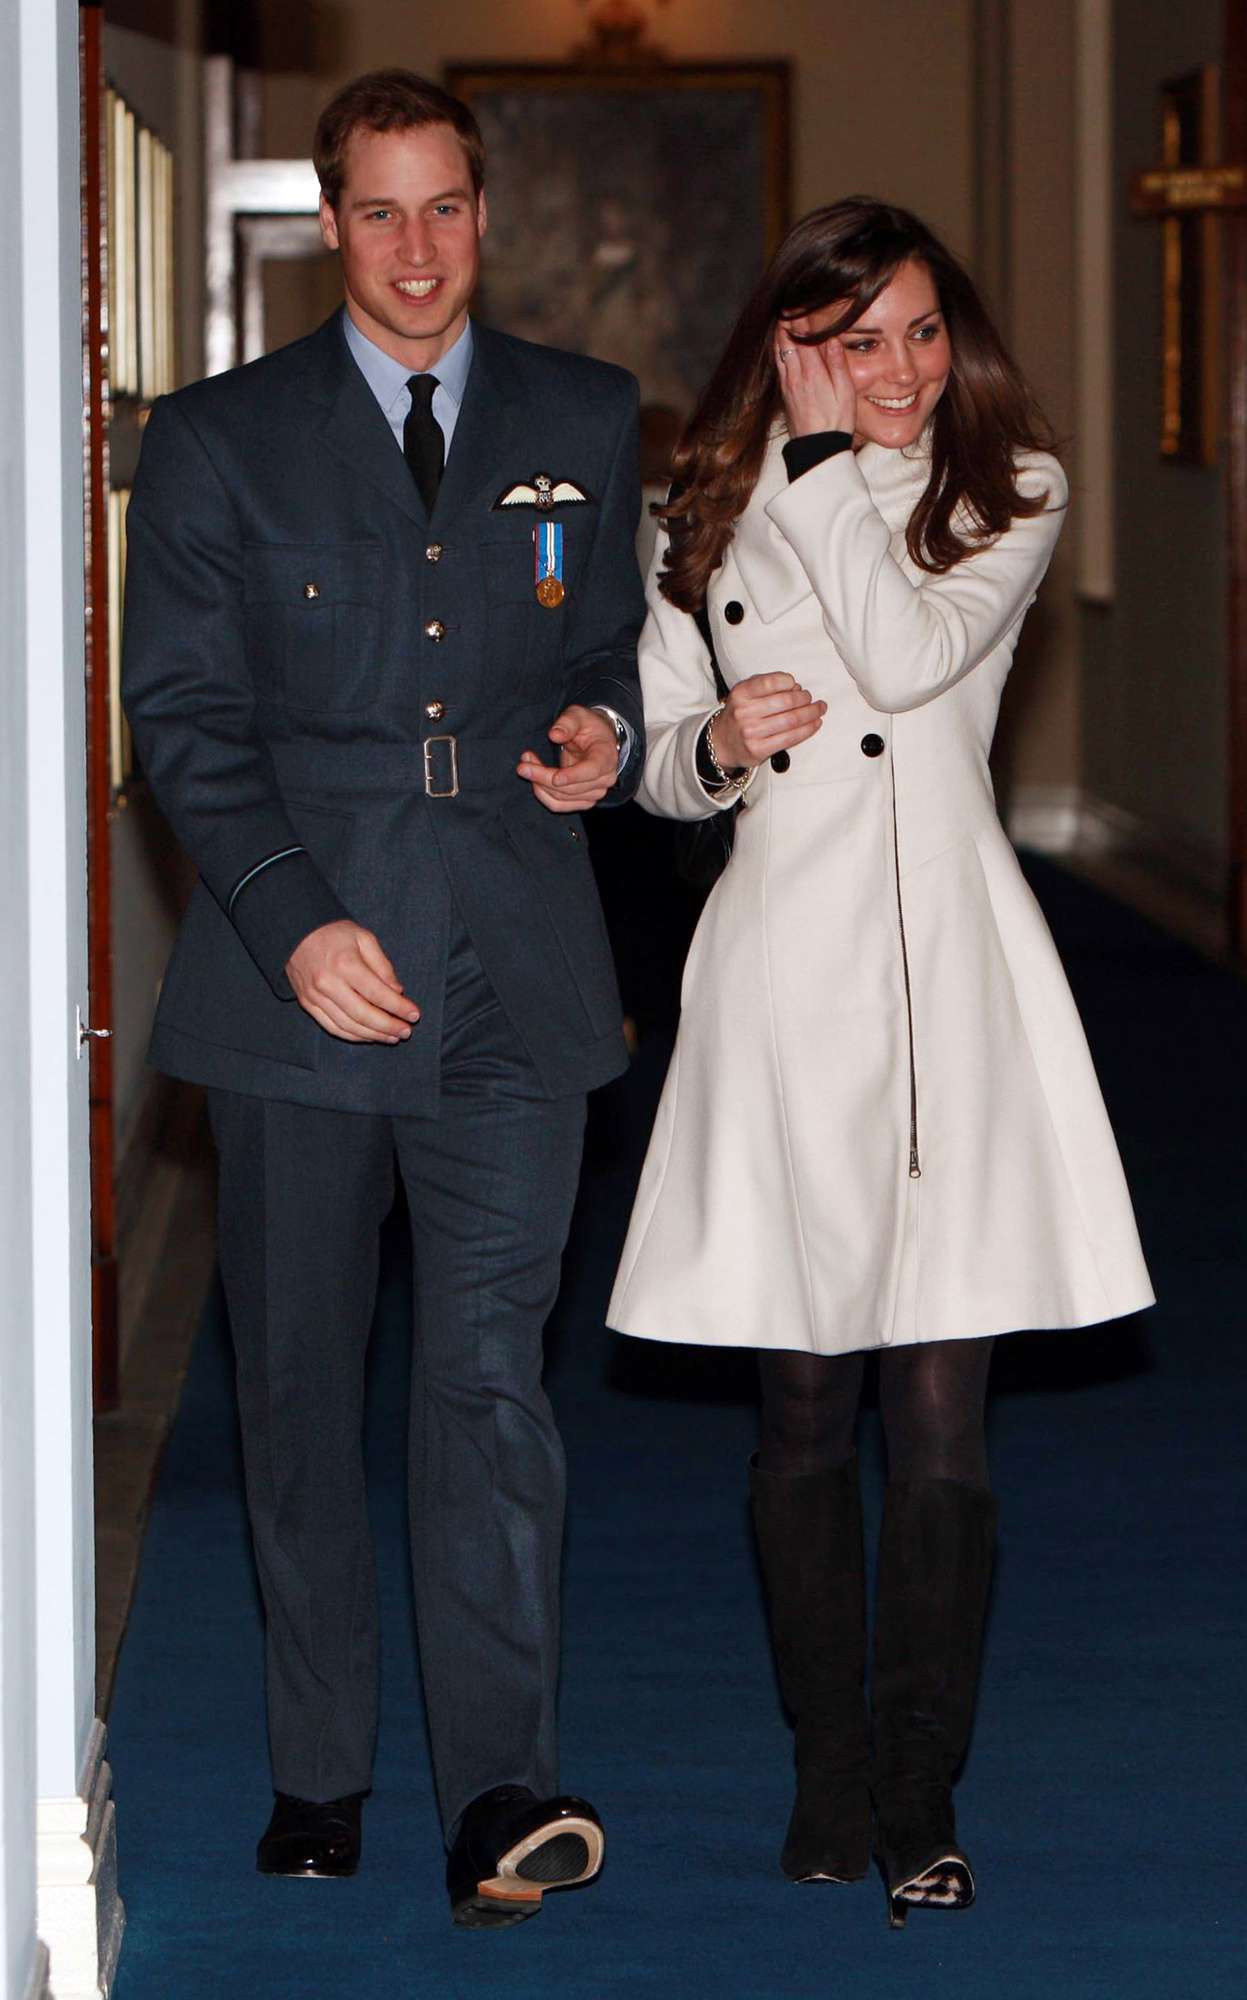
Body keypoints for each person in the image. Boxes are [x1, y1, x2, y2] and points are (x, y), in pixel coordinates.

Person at [123, 69, 645, 1931]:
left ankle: (502, 1786)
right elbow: (181, 723)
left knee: (490, 1382)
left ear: (480, 214)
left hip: (516, 963)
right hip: (301, 986)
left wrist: (607, 730)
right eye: (381, 213)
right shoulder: (216, 440)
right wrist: (286, 920)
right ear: (327, 226)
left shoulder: (586, 416)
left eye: (447, 209)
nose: (417, 251)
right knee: (299, 1391)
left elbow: (602, 645)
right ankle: (320, 1764)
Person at [607, 199, 1153, 1928]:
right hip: (782, 975)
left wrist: (828, 454)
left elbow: (910, 663)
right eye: (859, 340)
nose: (902, 368)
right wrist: (707, 738)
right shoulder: (698, 509)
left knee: (939, 1417)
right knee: (798, 1401)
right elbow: (658, 763)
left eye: (923, 331)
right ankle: (826, 1770)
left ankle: (922, 1792)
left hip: (948, 987)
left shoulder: (1013, 494)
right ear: (791, 344)